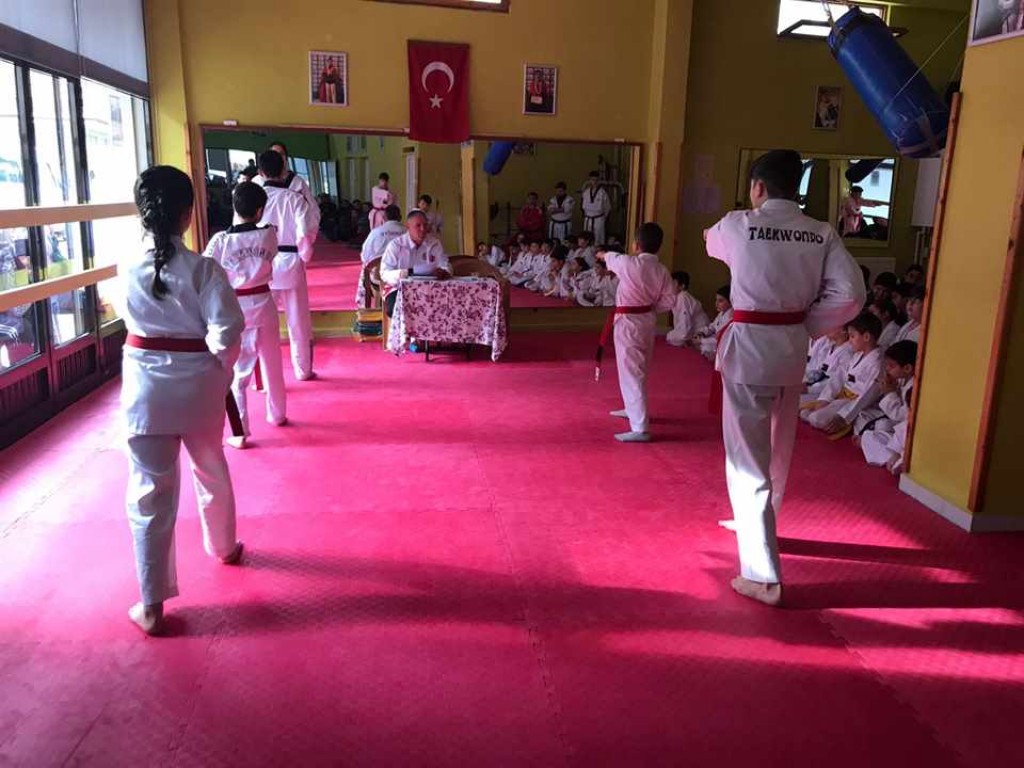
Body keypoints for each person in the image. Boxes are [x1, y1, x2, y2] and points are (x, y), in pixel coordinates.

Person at [705, 149, 864, 607]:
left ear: (758, 187)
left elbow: (710, 242)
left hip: (749, 349)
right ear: (798, 188)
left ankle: (763, 576)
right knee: (779, 447)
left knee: (747, 460)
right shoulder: (822, 232)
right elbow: (852, 294)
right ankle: (762, 522)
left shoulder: (738, 224)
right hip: (792, 348)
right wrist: (806, 324)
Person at [118, 165, 245, 636]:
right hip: (198, 389)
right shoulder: (204, 269)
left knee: (149, 493)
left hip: (145, 392)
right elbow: (227, 332)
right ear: (188, 215)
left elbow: (127, 317)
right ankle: (225, 546)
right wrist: (219, 371)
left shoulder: (124, 266)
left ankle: (151, 605)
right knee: (210, 467)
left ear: (142, 214)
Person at [203, 182, 287, 448]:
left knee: (238, 370)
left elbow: (206, 268)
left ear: (234, 207)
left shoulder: (221, 241)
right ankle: (278, 414)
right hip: (264, 302)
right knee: (272, 361)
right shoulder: (269, 234)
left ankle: (240, 431)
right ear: (260, 210)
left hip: (235, 306)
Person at [602, 223, 676, 442]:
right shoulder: (661, 270)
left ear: (636, 245)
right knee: (638, 367)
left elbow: (611, 257)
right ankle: (632, 409)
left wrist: (602, 254)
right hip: (647, 320)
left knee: (632, 370)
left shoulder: (629, 263)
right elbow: (670, 300)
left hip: (629, 322)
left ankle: (640, 427)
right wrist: (651, 308)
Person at [257, 150, 319, 381]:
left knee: (264, 323)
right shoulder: (295, 199)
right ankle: (303, 370)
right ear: (284, 170)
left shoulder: (254, 200)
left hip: (263, 263)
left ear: (261, 172)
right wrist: (304, 256)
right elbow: (306, 234)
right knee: (298, 321)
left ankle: (266, 377)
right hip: (291, 261)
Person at [801, 311, 884, 438]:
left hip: (855, 403)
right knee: (807, 411)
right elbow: (838, 378)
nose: (849, 341)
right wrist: (825, 399)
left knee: (816, 419)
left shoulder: (877, 363)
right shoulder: (858, 355)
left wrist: (844, 417)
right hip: (842, 397)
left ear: (866, 337)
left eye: (852, 336)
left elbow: (867, 395)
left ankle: (848, 422)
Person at [380, 209, 451, 317]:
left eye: (425, 225)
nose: (423, 229)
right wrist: (404, 273)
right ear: (408, 227)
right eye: (418, 226)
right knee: (398, 309)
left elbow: (445, 264)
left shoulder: (434, 244)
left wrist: (444, 271)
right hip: (400, 288)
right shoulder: (396, 245)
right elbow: (384, 273)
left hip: (430, 289)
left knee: (446, 307)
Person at [854, 339, 917, 441]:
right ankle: (867, 438)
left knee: (883, 425)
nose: (887, 368)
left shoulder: (913, 387)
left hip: (903, 425)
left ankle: (867, 440)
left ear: (907, 368)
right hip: (891, 418)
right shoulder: (901, 379)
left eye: (891, 366)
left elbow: (900, 416)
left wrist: (889, 393)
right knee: (863, 414)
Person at [254, 143, 320, 235]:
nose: (277, 158)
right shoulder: (256, 183)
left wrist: (307, 234)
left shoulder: (298, 183)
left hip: (293, 236)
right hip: (264, 237)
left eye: (281, 154)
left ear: (286, 158)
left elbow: (314, 211)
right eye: (274, 154)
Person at [802, 326, 853, 398]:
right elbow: (818, 371)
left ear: (843, 331)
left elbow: (837, 381)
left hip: (826, 393)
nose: (828, 327)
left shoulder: (847, 353)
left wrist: (809, 389)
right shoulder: (829, 346)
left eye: (833, 325)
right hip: (814, 386)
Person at [666, 271, 710, 347]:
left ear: (682, 286)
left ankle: (689, 340)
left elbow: (685, 321)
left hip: (699, 330)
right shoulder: (678, 297)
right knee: (671, 336)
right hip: (691, 329)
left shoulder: (683, 297)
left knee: (670, 337)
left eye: (673, 283)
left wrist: (683, 336)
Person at [694, 286, 733, 362]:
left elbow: (721, 338)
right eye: (716, 300)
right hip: (716, 339)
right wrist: (701, 332)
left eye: (720, 301)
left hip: (724, 344)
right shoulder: (722, 313)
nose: (716, 303)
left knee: (706, 347)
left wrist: (701, 340)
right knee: (700, 339)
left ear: (731, 302)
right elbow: (713, 326)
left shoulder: (730, 316)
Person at [581, 171, 612, 246]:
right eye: (592, 180)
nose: (594, 182)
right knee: (587, 239)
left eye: (596, 180)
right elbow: (583, 208)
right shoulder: (586, 192)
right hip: (588, 218)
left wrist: (602, 218)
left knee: (598, 239)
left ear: (599, 181)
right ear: (589, 180)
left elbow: (607, 208)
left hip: (598, 219)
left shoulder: (603, 193)